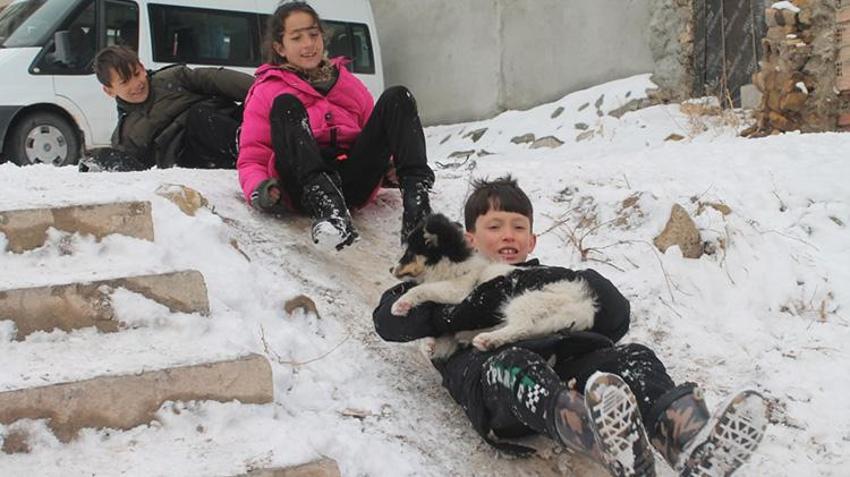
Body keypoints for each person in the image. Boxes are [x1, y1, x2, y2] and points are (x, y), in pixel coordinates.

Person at [373, 176, 768, 477]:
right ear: (470, 239)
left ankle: (689, 442)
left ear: (532, 239)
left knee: (634, 358)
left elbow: (615, 317)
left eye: (518, 226)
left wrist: (582, 283)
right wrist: (451, 315)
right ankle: (607, 443)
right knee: (512, 364)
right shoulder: (447, 282)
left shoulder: (545, 275)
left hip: (566, 360)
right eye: (495, 226)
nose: (508, 234)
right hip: (496, 379)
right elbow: (389, 319)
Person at [237, 1, 434, 250]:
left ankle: (418, 212)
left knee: (398, 97)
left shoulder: (348, 83)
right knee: (286, 105)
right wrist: (259, 187)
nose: (308, 44)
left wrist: (389, 168)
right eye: (297, 38)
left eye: (313, 34)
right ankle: (330, 211)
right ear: (280, 47)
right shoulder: (267, 90)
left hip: (353, 181)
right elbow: (252, 156)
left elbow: (377, 134)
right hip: (303, 188)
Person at [81, 45, 253, 172]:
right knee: (198, 117)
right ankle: (253, 151)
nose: (136, 84)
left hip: (225, 123)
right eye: (125, 82)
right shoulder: (127, 134)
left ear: (142, 67)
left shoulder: (173, 79)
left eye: (136, 74)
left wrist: (261, 91)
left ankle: (269, 140)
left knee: (257, 105)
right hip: (196, 154)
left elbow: (214, 79)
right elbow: (136, 173)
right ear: (109, 90)